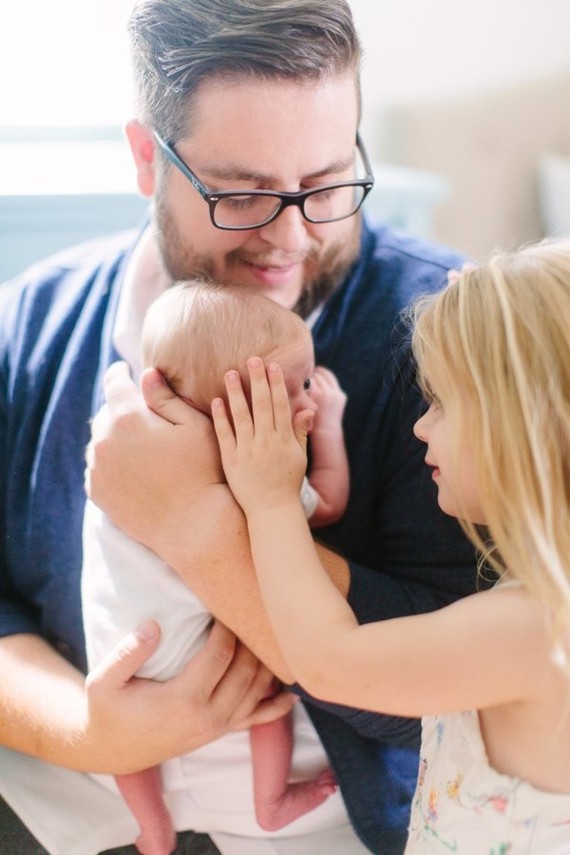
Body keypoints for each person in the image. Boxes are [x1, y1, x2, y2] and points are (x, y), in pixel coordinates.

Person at [0, 1, 480, 853]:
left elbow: (459, 698)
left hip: (331, 822)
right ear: (148, 159)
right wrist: (86, 733)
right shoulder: (39, 319)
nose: (293, 236)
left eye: (328, 182)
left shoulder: (448, 336)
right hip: (65, 800)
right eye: (244, 193)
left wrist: (196, 528)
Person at [211, 238, 570, 853]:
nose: (420, 425)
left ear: (523, 421)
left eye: (443, 401)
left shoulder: (538, 628)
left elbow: (327, 660)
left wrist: (271, 500)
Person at [82, 279, 348, 854]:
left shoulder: (121, 443)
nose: (306, 399)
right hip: (201, 649)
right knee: (268, 697)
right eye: (296, 388)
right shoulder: (242, 470)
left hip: (118, 645)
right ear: (235, 412)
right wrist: (327, 426)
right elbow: (326, 506)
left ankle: (151, 828)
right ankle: (271, 801)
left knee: (120, 741)